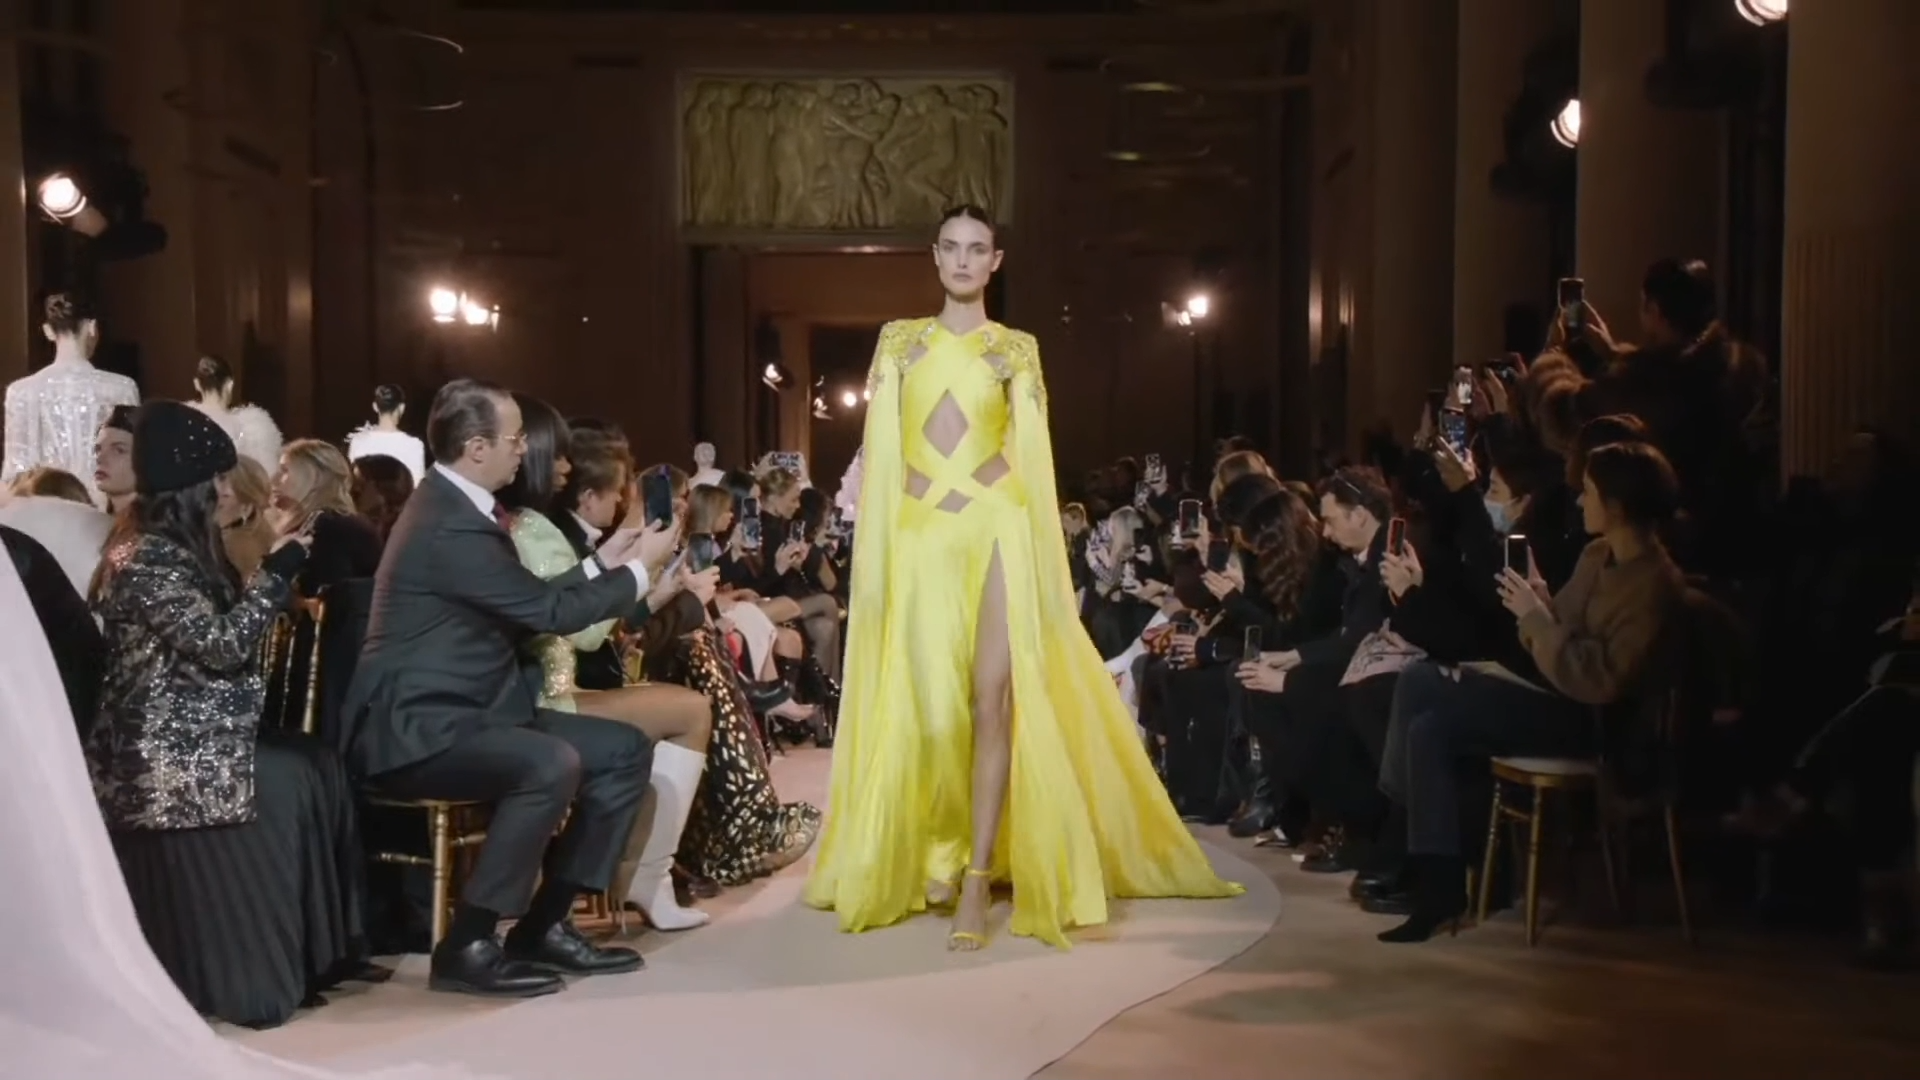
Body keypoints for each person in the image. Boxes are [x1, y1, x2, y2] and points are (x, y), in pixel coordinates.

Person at [802, 205, 1243, 951]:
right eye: (952, 247)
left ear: (995, 261)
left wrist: (1043, 561)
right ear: (935, 255)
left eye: (977, 249)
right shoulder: (900, 341)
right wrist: (877, 563)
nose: (963, 260)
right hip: (919, 539)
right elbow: (881, 455)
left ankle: (977, 878)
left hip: (997, 529)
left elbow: (1034, 460)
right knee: (931, 710)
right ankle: (938, 849)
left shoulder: (1017, 349)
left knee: (992, 701)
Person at [341, 378, 678, 998]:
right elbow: (547, 613)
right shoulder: (449, 522)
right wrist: (640, 569)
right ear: (477, 448)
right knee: (549, 763)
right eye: (516, 438)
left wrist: (605, 562)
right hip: (418, 728)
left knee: (623, 749)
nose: (526, 449)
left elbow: (529, 600)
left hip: (471, 713)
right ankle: (467, 943)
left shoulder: (457, 508)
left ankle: (545, 925)